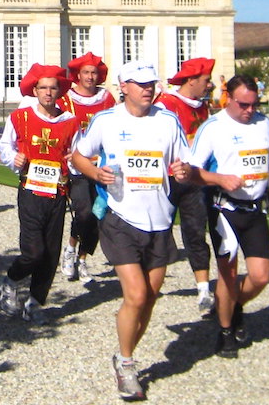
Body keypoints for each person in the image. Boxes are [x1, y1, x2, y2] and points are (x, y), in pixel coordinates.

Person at [71, 60, 190, 401]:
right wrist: (95, 175)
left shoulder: (168, 120)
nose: (147, 88)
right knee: (136, 294)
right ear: (123, 86)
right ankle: (127, 364)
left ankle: (124, 353)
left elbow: (185, 163)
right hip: (120, 218)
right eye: (139, 83)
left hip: (161, 220)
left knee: (149, 298)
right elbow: (78, 156)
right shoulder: (107, 120)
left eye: (151, 82)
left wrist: (183, 171)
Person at [181, 74, 269, 358]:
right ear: (228, 98)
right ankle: (226, 330)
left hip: (255, 209)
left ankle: (234, 304)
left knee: (261, 276)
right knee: (228, 274)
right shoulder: (213, 127)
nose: (249, 110)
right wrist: (220, 178)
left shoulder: (264, 123)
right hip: (224, 209)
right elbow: (190, 172)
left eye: (254, 104)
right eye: (243, 105)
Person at [0, 64, 79, 325]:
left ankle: (35, 301)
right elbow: (4, 146)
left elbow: (78, 156)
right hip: (31, 191)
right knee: (33, 251)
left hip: (57, 193)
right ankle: (11, 279)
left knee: (51, 252)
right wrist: (14, 158)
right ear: (35, 90)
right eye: (43, 87)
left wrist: (74, 160)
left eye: (53, 88)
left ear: (59, 92)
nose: (48, 92)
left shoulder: (70, 122)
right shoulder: (19, 117)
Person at [156, 56, 217, 317]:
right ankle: (150, 282)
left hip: (193, 179)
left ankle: (203, 287)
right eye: (205, 81)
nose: (209, 85)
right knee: (158, 231)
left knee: (195, 231)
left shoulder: (202, 107)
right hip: (167, 178)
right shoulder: (166, 105)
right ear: (191, 81)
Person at [57, 51, 116, 284]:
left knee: (98, 214)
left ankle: (82, 258)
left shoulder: (106, 99)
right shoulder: (66, 100)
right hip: (78, 168)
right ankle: (71, 248)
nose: (91, 77)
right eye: (86, 72)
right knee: (83, 212)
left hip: (102, 167)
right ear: (78, 75)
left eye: (94, 72)